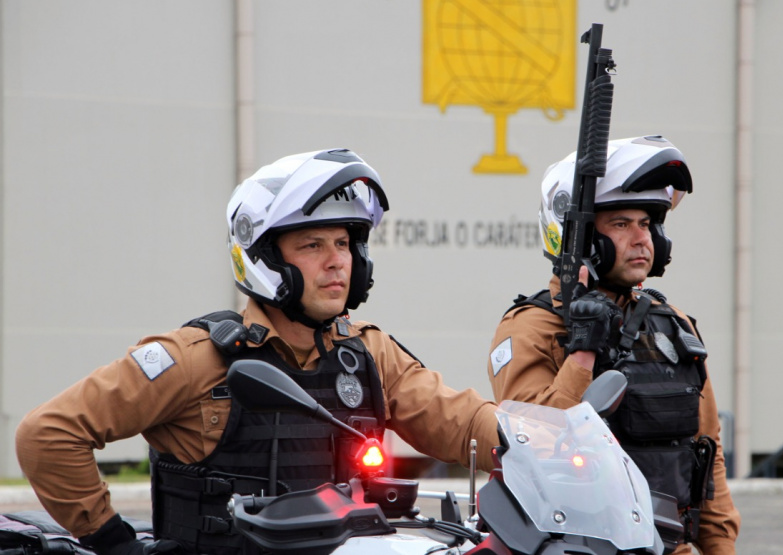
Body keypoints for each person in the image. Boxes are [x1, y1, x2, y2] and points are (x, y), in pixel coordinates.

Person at [16, 148, 501, 555]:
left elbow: (463, 423)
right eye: (312, 245)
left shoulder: (367, 352)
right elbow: (47, 435)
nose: (337, 261)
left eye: (343, 243)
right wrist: (116, 544)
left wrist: (537, 449)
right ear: (265, 258)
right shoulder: (196, 358)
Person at [487, 136, 740, 554]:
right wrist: (582, 353)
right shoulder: (532, 328)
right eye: (621, 224)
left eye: (647, 223)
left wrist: (720, 549)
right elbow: (532, 446)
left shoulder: (673, 326)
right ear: (582, 237)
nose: (642, 239)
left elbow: (706, 455)